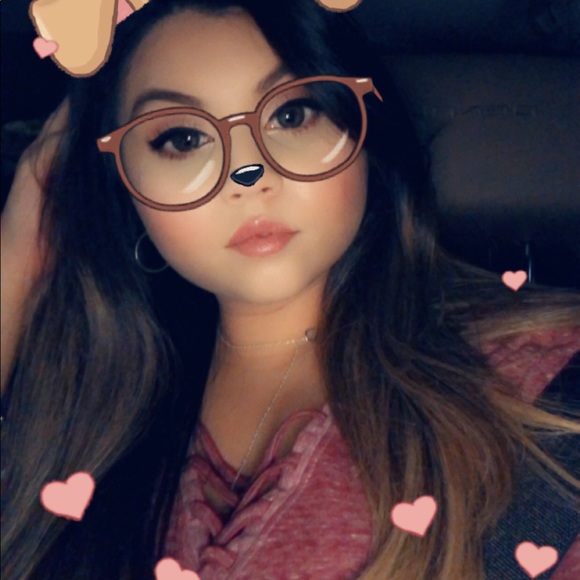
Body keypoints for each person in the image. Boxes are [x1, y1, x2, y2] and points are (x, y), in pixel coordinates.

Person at [1, 0, 578, 578]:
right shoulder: (76, 417)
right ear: (122, 186)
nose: (247, 175)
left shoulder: (544, 388)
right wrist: (15, 259)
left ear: (363, 131)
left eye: (292, 114)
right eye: (182, 138)